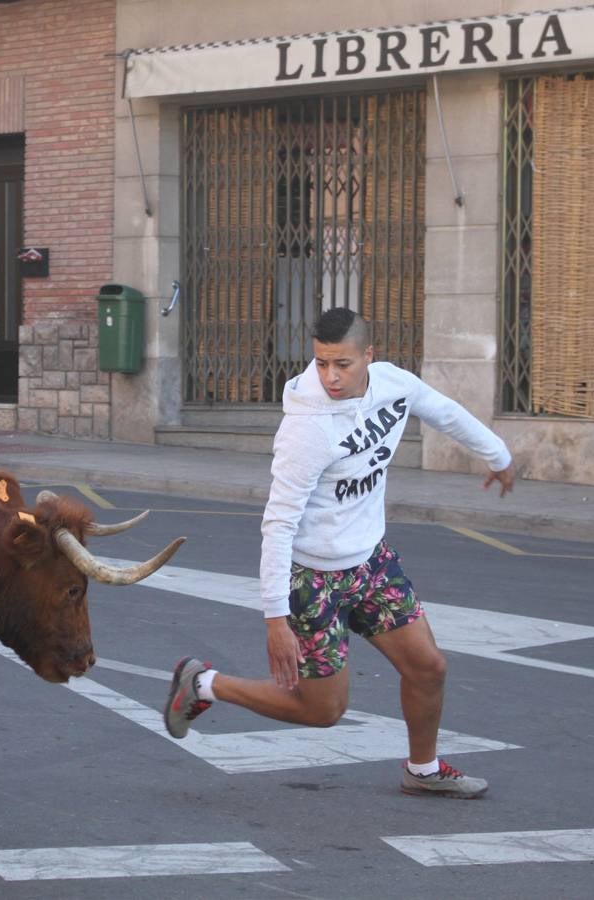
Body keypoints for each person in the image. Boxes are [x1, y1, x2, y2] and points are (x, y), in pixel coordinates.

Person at [163, 308, 515, 798]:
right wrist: (274, 619)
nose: (330, 376)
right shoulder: (306, 430)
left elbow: (447, 413)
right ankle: (204, 684)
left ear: (368, 356)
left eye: (343, 364)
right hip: (312, 580)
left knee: (428, 668)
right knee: (323, 711)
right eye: (322, 363)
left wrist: (499, 457)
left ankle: (423, 769)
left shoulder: (393, 384)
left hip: (371, 563)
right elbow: (278, 523)